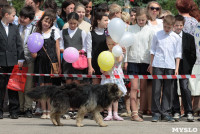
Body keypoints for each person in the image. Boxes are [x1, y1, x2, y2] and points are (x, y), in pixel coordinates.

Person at [148, 15, 182, 122]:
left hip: (170, 66)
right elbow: (152, 50)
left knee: (168, 90)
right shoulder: (157, 34)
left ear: (173, 26)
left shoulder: (176, 37)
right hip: (158, 64)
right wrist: (151, 64)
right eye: (165, 27)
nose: (167, 29)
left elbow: (178, 54)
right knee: (156, 90)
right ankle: (156, 113)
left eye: (169, 27)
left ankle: (165, 112)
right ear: (163, 24)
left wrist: (176, 68)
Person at [124, 8, 154, 121]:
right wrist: (126, 60)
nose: (141, 22)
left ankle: (141, 110)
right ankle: (134, 113)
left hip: (145, 62)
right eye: (139, 20)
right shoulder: (130, 29)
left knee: (143, 88)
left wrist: (151, 63)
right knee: (134, 87)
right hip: (132, 61)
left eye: (143, 20)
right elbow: (126, 46)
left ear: (146, 19)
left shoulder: (150, 30)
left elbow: (152, 48)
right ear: (135, 18)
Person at [31, 11, 61, 119]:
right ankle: (44, 111)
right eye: (45, 21)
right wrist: (33, 53)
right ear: (41, 20)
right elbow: (32, 48)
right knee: (42, 87)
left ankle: (50, 110)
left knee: (49, 87)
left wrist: (59, 64)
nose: (46, 24)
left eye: (49, 22)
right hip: (40, 62)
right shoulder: (37, 32)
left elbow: (57, 48)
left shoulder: (55, 32)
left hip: (51, 62)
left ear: (51, 23)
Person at [0, 5, 25, 119]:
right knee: (0, 87)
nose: (15, 18)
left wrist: (20, 59)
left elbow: (19, 44)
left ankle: (14, 111)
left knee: (13, 87)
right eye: (13, 15)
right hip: (1, 61)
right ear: (6, 15)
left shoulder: (15, 28)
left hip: (13, 61)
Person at [172, 15, 196, 122]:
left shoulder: (189, 38)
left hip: (185, 67)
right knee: (173, 88)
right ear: (173, 25)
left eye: (181, 25)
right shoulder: (170, 37)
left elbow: (193, 54)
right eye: (176, 25)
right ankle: (176, 111)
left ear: (183, 25)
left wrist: (189, 67)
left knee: (185, 88)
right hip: (171, 66)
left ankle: (189, 112)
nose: (179, 27)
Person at [101, 35, 127, 121]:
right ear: (106, 44)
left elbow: (119, 60)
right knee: (109, 96)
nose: (111, 46)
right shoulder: (105, 54)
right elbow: (102, 68)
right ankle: (109, 113)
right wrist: (103, 70)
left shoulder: (119, 53)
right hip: (108, 77)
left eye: (113, 44)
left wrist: (117, 50)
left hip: (116, 77)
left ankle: (115, 113)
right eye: (109, 44)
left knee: (116, 96)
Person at [18, 6, 36, 118]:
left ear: (31, 19)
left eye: (25, 18)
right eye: (21, 16)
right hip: (17, 61)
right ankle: (20, 107)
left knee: (28, 86)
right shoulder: (16, 27)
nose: (22, 19)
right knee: (19, 85)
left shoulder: (35, 29)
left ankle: (28, 108)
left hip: (30, 60)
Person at [61, 12, 87, 85]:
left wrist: (79, 51)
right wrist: (66, 51)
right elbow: (61, 46)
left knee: (77, 83)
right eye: (70, 23)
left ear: (78, 22)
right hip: (67, 61)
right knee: (68, 83)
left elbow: (85, 47)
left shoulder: (82, 32)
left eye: (74, 23)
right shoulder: (63, 32)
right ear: (68, 22)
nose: (72, 25)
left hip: (78, 61)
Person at [86, 12, 109, 84]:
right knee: (96, 87)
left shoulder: (108, 33)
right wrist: (90, 66)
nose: (107, 22)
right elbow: (89, 51)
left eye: (107, 20)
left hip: (106, 63)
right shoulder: (90, 33)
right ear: (98, 21)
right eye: (105, 20)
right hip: (95, 63)